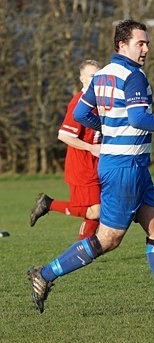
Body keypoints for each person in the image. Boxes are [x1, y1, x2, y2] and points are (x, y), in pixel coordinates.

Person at [27, 19, 154, 315]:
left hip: (131, 165)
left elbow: (83, 113)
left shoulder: (102, 75)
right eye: (141, 43)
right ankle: (44, 275)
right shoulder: (133, 75)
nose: (146, 48)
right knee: (108, 239)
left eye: (147, 43)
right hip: (125, 167)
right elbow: (138, 119)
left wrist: (108, 128)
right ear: (122, 45)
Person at [29, 60, 102, 241]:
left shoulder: (101, 101)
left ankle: (82, 250)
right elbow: (64, 135)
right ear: (82, 79)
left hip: (99, 161)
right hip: (83, 163)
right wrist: (91, 147)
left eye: (99, 76)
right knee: (95, 211)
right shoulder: (80, 102)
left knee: (98, 209)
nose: (97, 80)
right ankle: (49, 204)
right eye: (93, 76)